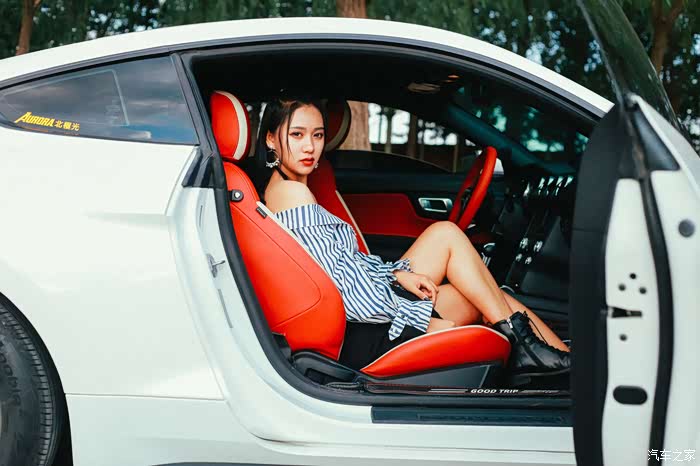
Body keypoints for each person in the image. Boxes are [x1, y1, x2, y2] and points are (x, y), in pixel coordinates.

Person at [257, 97, 570, 377]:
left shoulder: (289, 186)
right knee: (476, 282)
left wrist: (395, 275)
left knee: (470, 271)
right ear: (271, 139)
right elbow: (344, 292)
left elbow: (344, 268)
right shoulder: (292, 194)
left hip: (365, 312)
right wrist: (412, 315)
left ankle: (550, 357)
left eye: (317, 135)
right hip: (365, 331)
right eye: (297, 135)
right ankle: (553, 361)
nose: (310, 147)